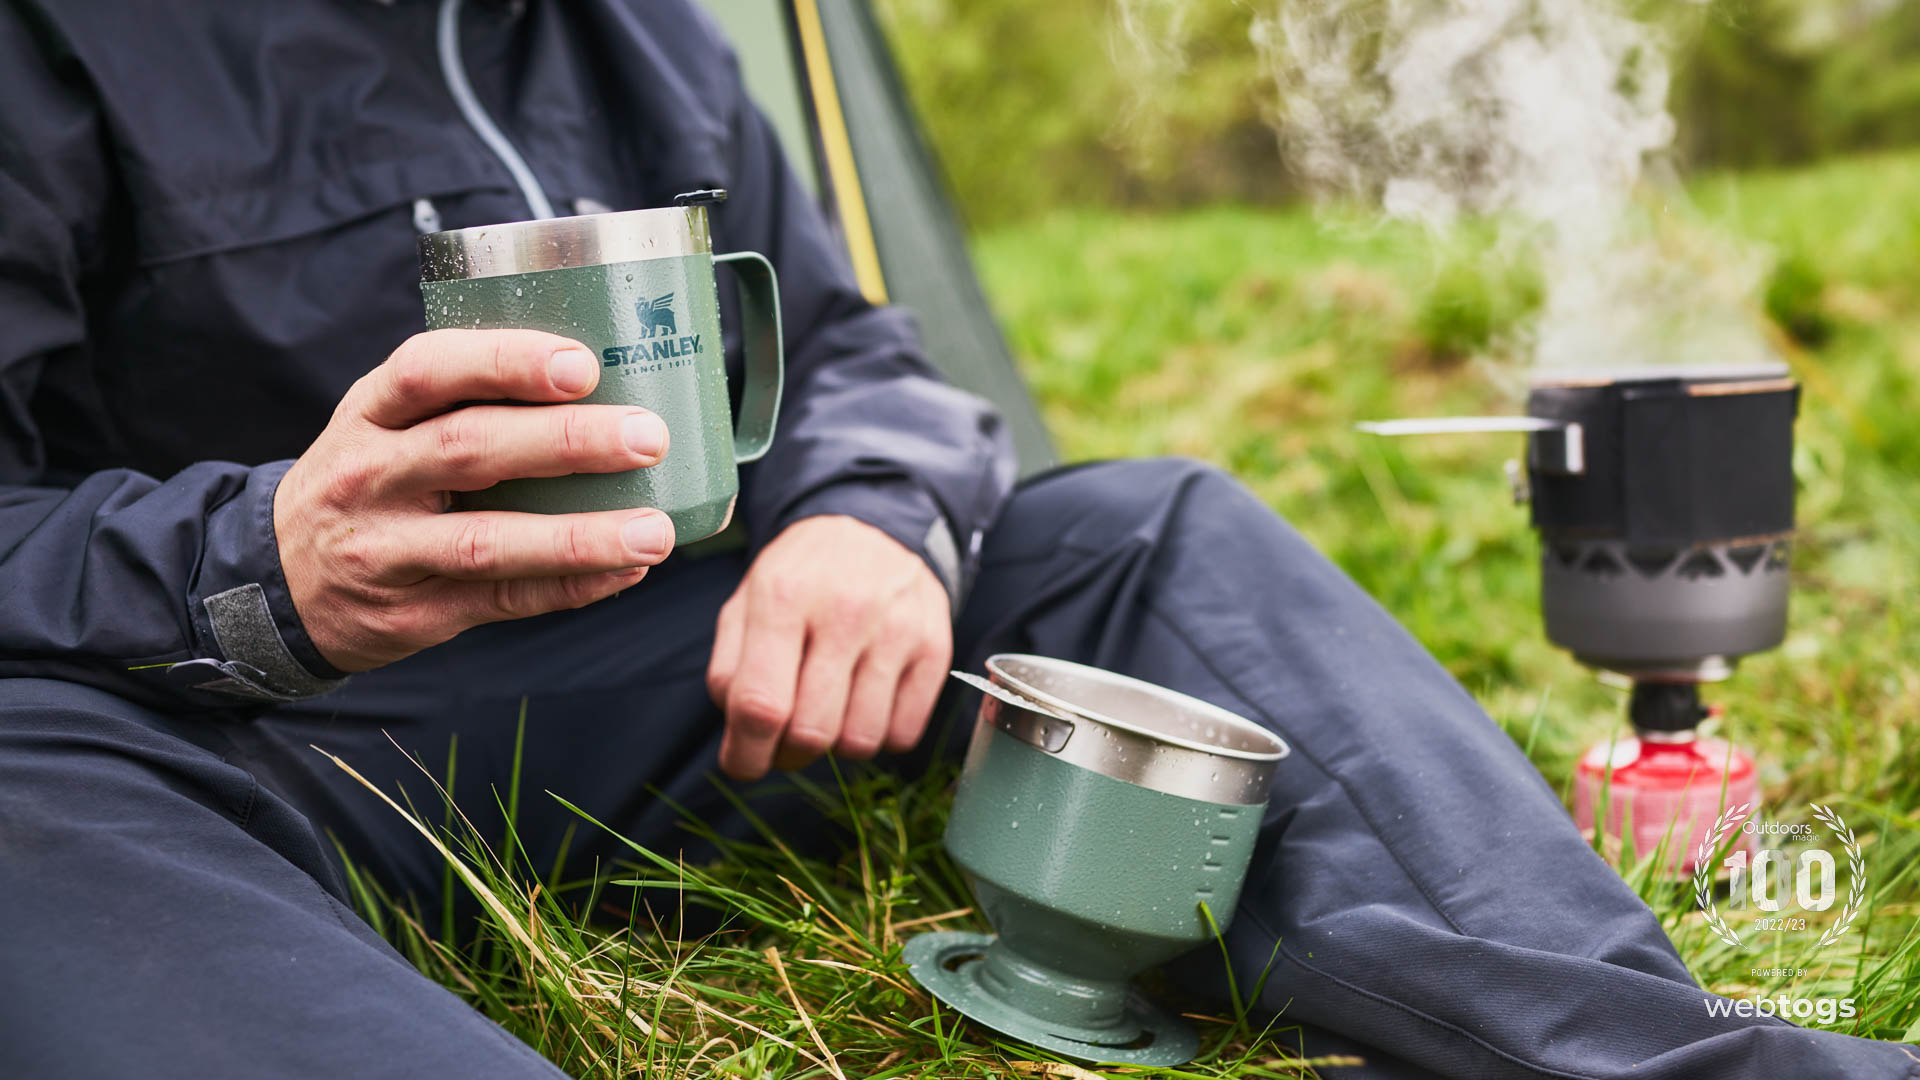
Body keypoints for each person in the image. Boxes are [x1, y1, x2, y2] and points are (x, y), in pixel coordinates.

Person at [0, 2, 1911, 1078]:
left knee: (1132, 525)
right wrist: (267, 561)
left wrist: (877, 521)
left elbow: (847, 346)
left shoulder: (635, 30)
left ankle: (1655, 1066)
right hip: (253, 743)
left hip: (703, 685)